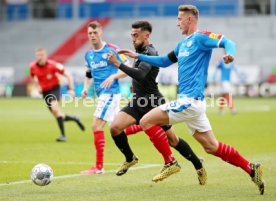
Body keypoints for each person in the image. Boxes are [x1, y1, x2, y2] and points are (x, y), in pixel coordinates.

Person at [118, 5, 264, 195]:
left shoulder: (201, 38)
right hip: (191, 104)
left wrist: (230, 54)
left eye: (180, 19)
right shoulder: (182, 45)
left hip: (190, 101)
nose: (177, 22)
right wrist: (138, 55)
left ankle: (170, 162)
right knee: (212, 147)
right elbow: (163, 61)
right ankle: (251, 168)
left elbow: (228, 41)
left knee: (146, 120)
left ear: (189, 19)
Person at [107, 21, 207, 184]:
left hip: (153, 102)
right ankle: (130, 158)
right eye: (131, 35)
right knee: (115, 128)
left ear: (146, 36)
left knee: (173, 140)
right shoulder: (138, 51)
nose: (132, 38)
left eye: (136, 35)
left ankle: (197, 165)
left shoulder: (150, 52)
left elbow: (140, 74)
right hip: (138, 102)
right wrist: (134, 86)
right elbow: (140, 77)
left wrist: (118, 64)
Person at [80, 21, 129, 174]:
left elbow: (129, 69)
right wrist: (86, 88)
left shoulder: (113, 49)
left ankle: (99, 167)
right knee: (117, 127)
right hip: (101, 94)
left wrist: (114, 76)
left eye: (95, 33)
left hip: (111, 93)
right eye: (90, 33)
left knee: (96, 126)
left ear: (101, 33)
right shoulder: (88, 54)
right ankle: (150, 124)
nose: (93, 35)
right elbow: (88, 74)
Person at [29, 48, 85, 142]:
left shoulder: (53, 65)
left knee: (55, 110)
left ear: (46, 56)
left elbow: (68, 75)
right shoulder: (32, 66)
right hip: (45, 92)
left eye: (41, 55)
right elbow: (33, 76)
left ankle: (63, 136)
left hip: (54, 89)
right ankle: (75, 118)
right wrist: (37, 86)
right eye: (38, 55)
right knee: (58, 114)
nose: (40, 57)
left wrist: (71, 89)